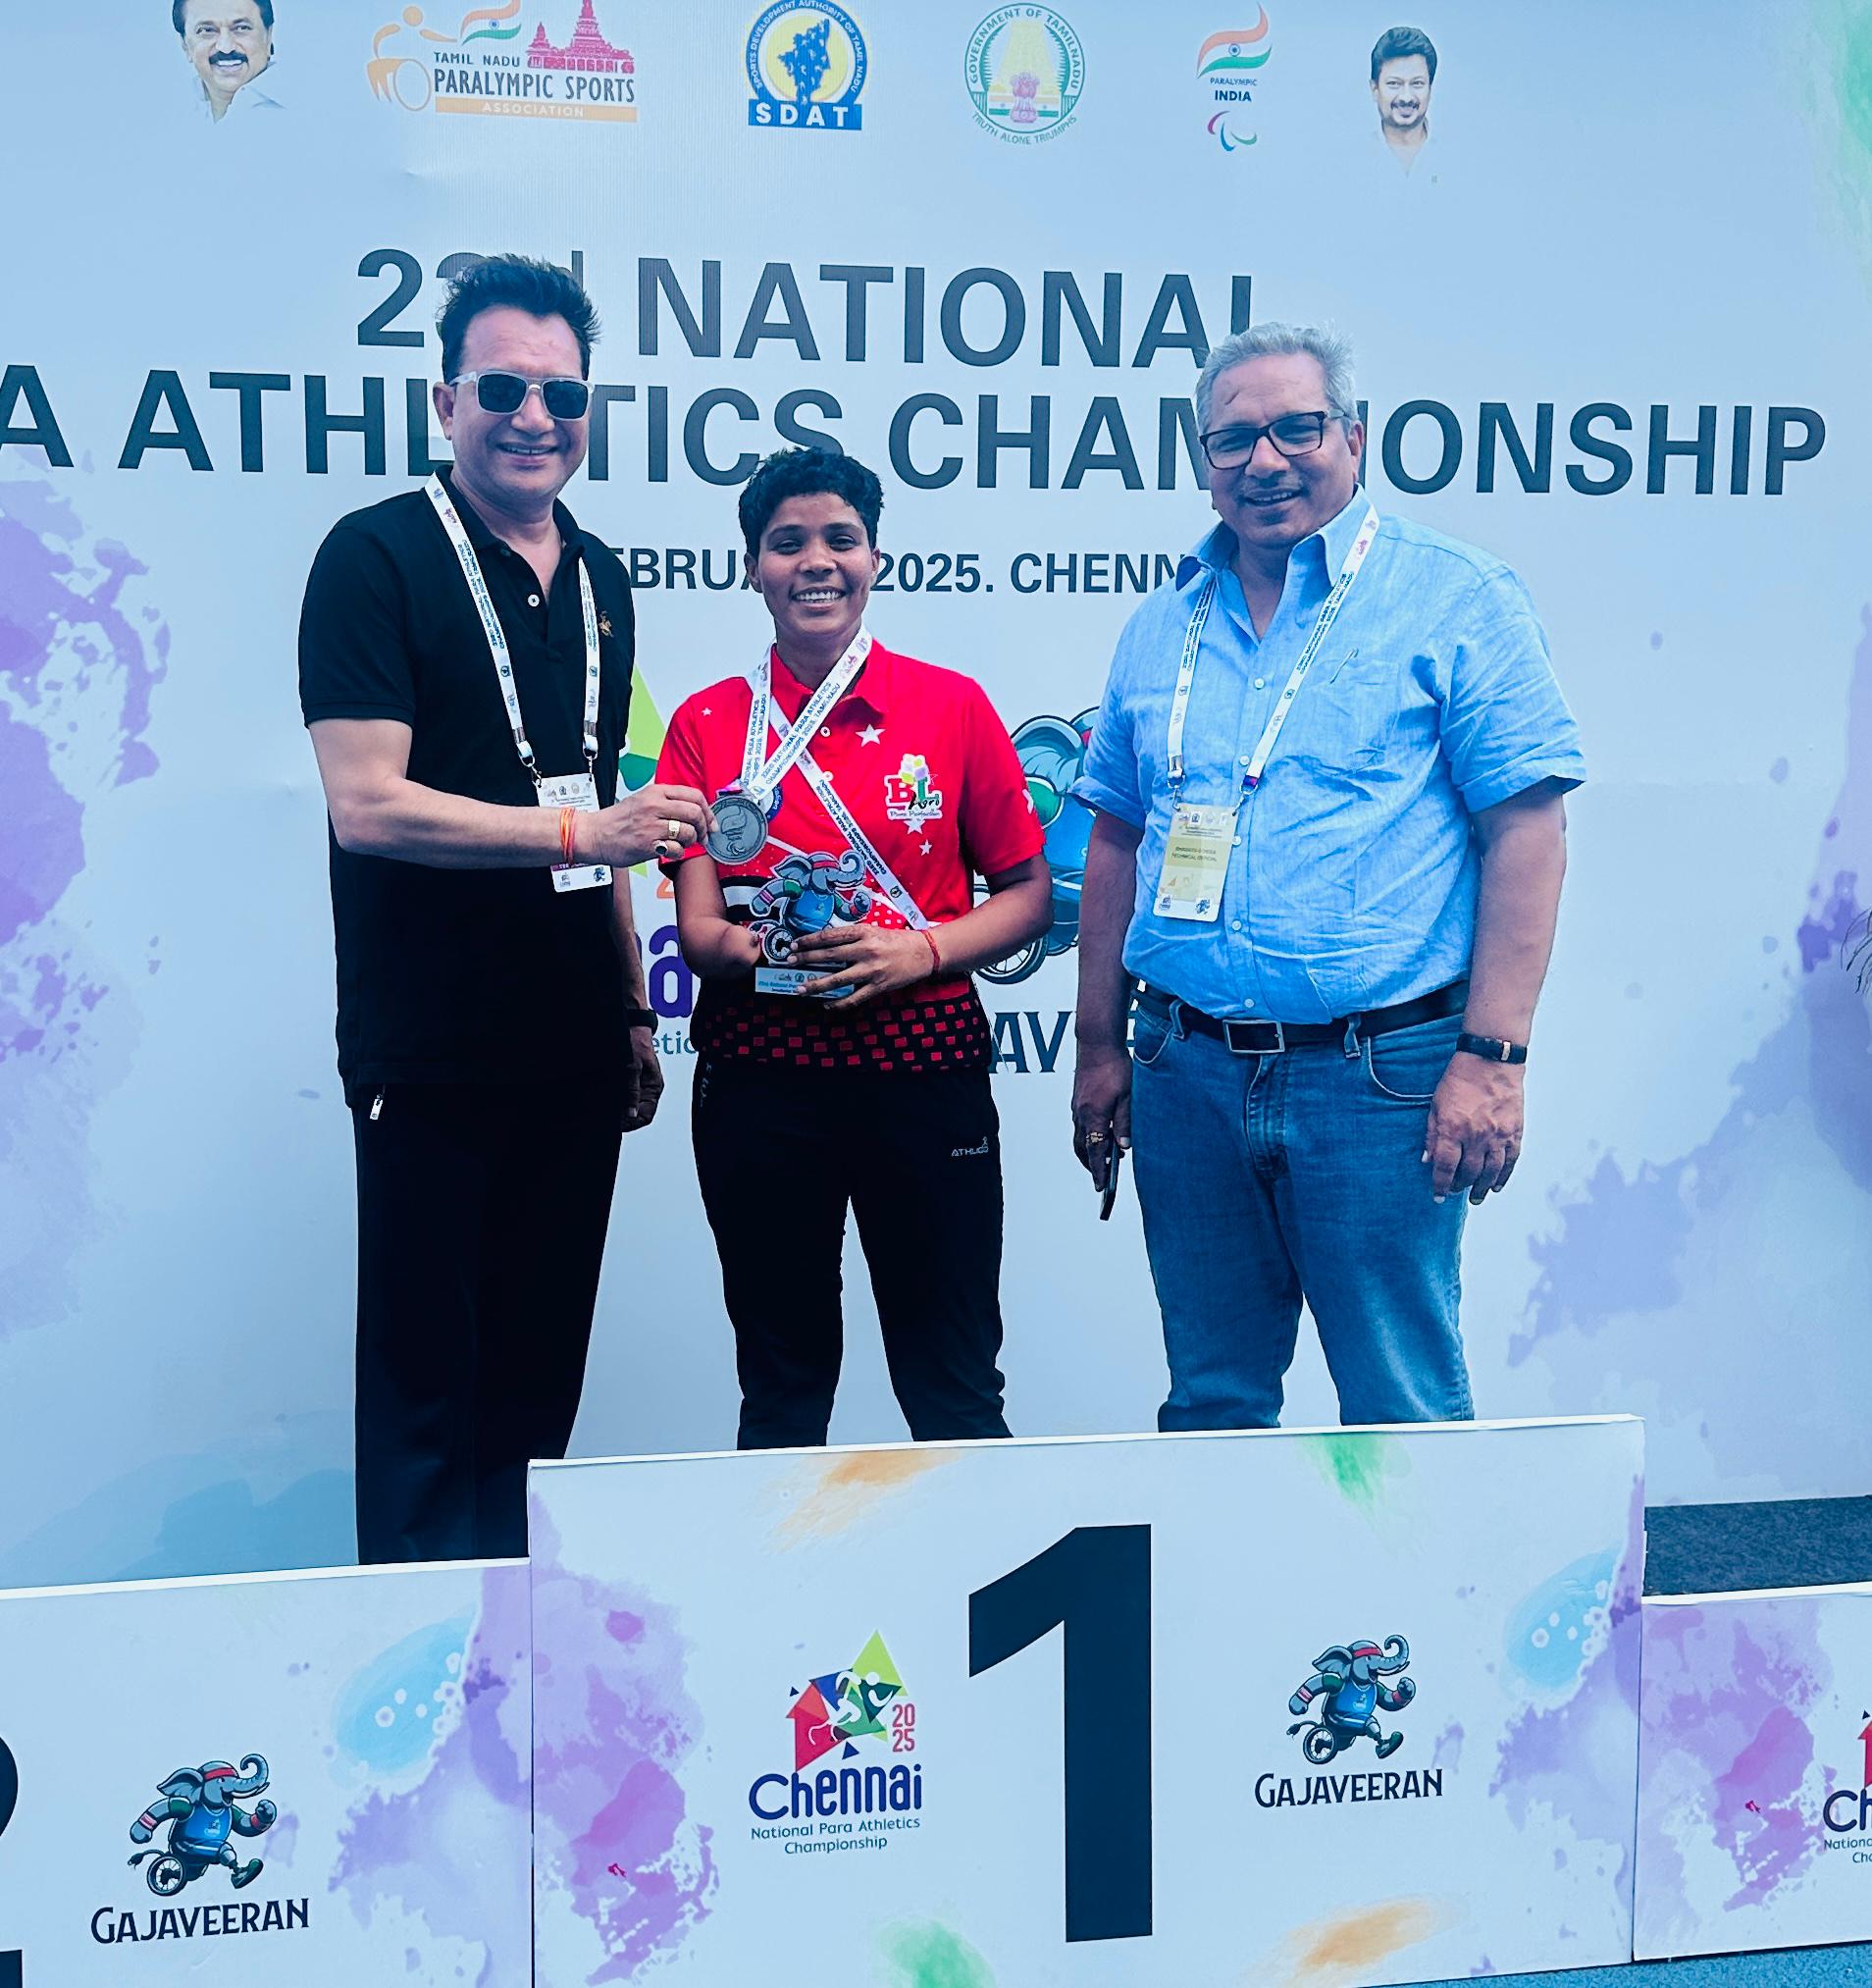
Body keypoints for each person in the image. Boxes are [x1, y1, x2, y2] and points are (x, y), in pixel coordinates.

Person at [1070, 322, 1583, 1432]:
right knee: (1211, 1400)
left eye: (1296, 430)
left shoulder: (1456, 597)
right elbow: (1115, 839)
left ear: (1354, 437)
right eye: (1234, 439)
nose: (1265, 461)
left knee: (1400, 1406)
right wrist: (1100, 1047)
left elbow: (1527, 832)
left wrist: (1494, 1059)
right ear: (1203, 460)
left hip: (1380, 1080)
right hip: (1186, 1071)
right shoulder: (1162, 624)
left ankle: (1416, 1566)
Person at [298, 254, 714, 1562]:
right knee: (426, 1400)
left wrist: (632, 1009)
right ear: (445, 402)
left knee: (535, 1400)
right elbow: (367, 804)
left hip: (573, 1049)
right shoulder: (374, 556)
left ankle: (509, 1666)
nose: (535, 417)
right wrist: (585, 832)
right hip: (428, 1048)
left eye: (563, 394)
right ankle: (417, 1678)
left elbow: (594, 798)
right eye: (502, 388)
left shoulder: (602, 576)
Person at [656, 447, 1051, 1450]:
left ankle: (976, 1554)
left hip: (923, 1074)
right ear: (752, 566)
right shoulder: (706, 723)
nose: (816, 562)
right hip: (761, 1082)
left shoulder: (951, 706)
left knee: (955, 1382)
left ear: (876, 558)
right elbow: (699, 933)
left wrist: (919, 954)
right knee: (780, 1385)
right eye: (786, 542)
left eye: (841, 538)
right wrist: (773, 952)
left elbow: (1029, 896)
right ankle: (782, 1562)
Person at [175, 0, 284, 121]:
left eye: (242, 28)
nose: (226, 48)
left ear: (268, 37)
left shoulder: (297, 111)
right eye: (207, 30)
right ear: (185, 45)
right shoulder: (172, 113)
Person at [1370, 25, 1435, 172]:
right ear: (1374, 89)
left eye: (1417, 83)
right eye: (1394, 84)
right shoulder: (1352, 156)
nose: (1406, 98)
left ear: (1430, 89)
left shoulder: (1455, 153)